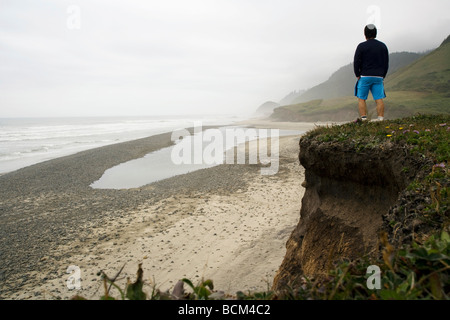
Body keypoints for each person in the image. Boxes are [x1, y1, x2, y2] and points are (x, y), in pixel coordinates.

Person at [353, 24, 389, 121]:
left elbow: (356, 62)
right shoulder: (383, 46)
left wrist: (357, 74)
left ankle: (364, 119)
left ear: (365, 34)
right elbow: (386, 62)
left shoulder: (361, 46)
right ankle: (380, 119)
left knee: (361, 98)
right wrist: (383, 75)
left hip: (365, 76)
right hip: (379, 77)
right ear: (375, 33)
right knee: (379, 98)